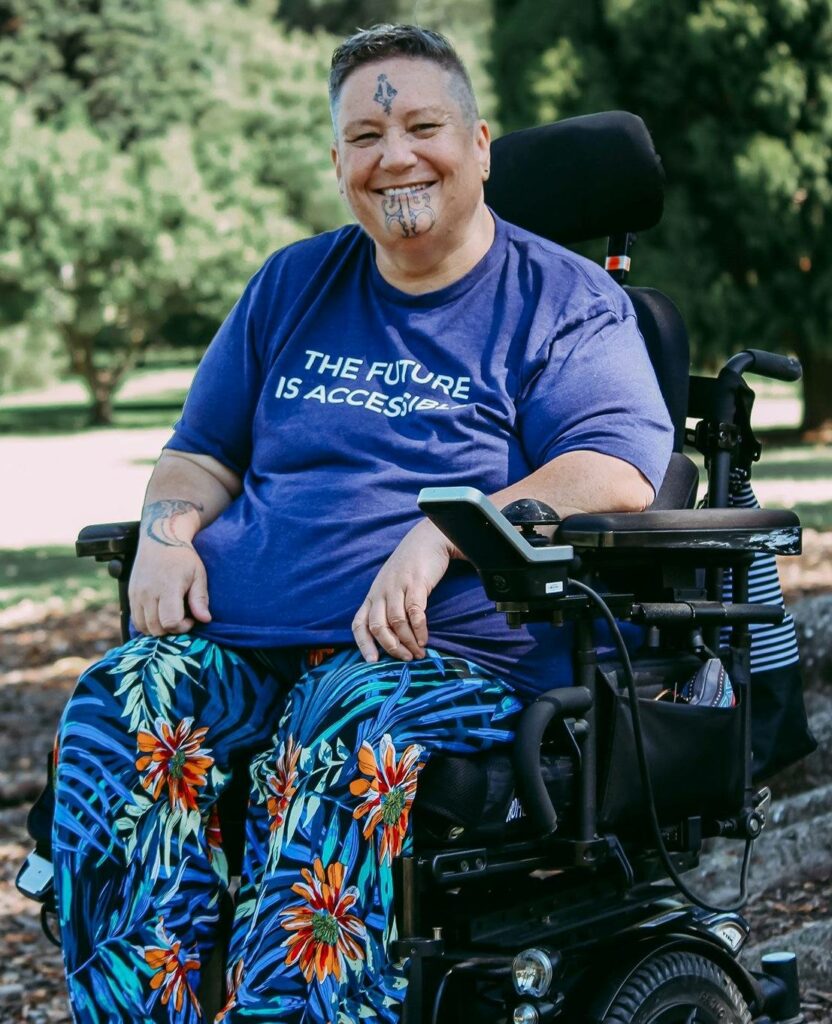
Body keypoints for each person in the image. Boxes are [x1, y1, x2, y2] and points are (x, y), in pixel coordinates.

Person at [52, 24, 673, 1024]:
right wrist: (165, 533)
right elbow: (199, 454)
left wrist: (447, 532)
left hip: (445, 655)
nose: (394, 155)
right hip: (247, 647)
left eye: (422, 124)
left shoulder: (564, 300)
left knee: (343, 714)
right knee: (120, 696)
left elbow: (612, 469)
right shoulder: (293, 284)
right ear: (339, 162)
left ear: (479, 144)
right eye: (364, 135)